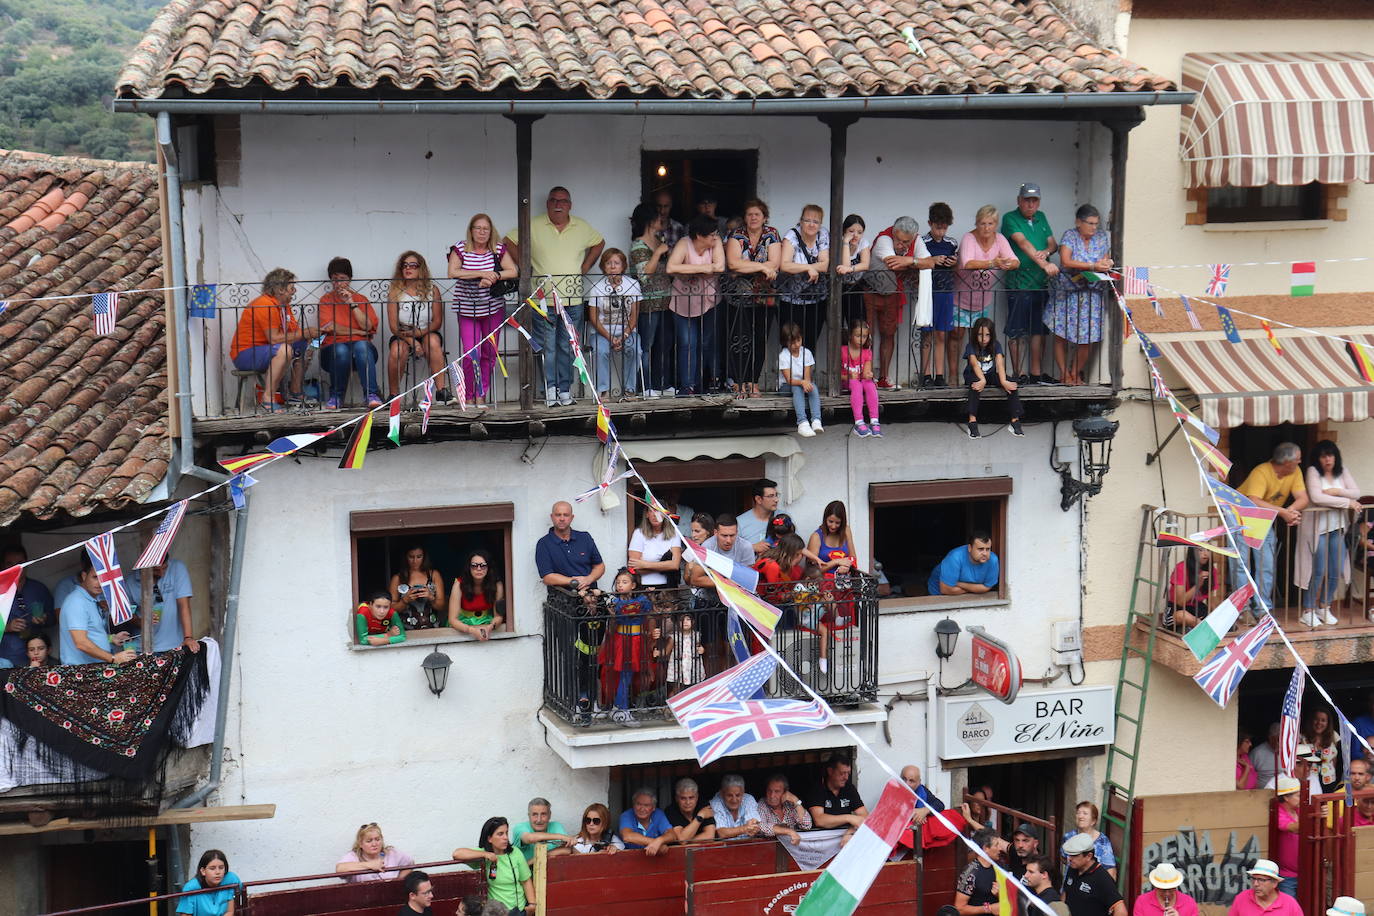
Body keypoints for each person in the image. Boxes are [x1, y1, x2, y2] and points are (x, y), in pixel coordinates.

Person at [504, 186, 605, 408]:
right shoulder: (533, 223)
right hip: (543, 300)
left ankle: (565, 390)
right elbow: (508, 241)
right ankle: (550, 390)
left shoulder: (582, 226)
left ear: (570, 204)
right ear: (547, 203)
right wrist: (524, 266)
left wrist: (585, 267)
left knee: (567, 346)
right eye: (553, 200)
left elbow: (599, 243)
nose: (558, 204)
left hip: (573, 299)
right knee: (547, 346)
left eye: (563, 200)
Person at [448, 213, 517, 406]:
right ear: (471, 230)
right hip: (467, 309)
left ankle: (481, 394)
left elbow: (512, 271)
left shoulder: (498, 249)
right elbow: (453, 271)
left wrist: (494, 275)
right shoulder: (460, 248)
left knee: (489, 352)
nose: (481, 232)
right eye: (477, 228)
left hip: (492, 308)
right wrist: (481, 274)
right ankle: (468, 395)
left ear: (490, 231)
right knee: (471, 353)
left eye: (485, 229)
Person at [1235, 443, 1309, 616]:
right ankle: (1242, 608)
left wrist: (1290, 511)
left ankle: (1262, 609)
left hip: (1263, 519)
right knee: (1241, 564)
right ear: (1286, 462)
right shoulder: (1261, 472)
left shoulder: (1294, 471)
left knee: (1266, 564)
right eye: (1297, 459)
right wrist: (1284, 513)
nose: (1300, 462)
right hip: (1241, 517)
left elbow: (1303, 498)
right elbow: (1254, 500)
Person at [228, 267, 314, 411]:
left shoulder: (283, 306)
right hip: (245, 354)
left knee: (306, 344)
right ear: (280, 289)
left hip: (267, 350)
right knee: (284, 349)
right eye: (292, 287)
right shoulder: (265, 304)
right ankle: (268, 398)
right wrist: (304, 333)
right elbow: (274, 339)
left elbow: (295, 333)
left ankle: (295, 391)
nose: (294, 291)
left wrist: (309, 335)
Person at [1044, 204, 1112, 386]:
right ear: (1078, 222)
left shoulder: (1101, 237)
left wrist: (1106, 264)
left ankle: (1075, 373)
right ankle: (1064, 373)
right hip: (1068, 293)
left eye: (1096, 224)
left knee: (1088, 337)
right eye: (1090, 223)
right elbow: (1066, 261)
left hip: (1091, 295)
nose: (1094, 227)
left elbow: (1104, 260)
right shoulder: (1070, 236)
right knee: (1061, 334)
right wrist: (1092, 266)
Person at [1297, 439, 1361, 627]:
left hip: (1338, 528)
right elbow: (1317, 498)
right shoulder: (1312, 472)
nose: (1328, 459)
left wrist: (1335, 491)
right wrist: (1346, 502)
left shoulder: (1343, 471)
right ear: (1318, 458)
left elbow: (1356, 492)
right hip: (1318, 529)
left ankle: (1324, 607)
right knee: (1317, 570)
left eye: (1330, 455)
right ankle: (1308, 610)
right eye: (1324, 456)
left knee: (1335, 570)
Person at [866, 215, 934, 389]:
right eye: (900, 240)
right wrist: (916, 263)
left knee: (889, 334)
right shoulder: (884, 239)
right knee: (866, 335)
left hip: (892, 293)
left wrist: (910, 260)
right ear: (894, 232)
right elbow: (893, 264)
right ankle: (865, 377)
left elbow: (931, 263)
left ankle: (883, 377)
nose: (902, 245)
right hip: (870, 291)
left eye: (907, 242)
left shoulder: (916, 239)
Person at [725, 199, 782, 399]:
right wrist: (762, 267)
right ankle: (740, 383)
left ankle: (753, 382)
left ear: (764, 217)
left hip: (764, 297)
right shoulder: (736, 235)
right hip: (738, 297)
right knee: (739, 340)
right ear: (745, 218)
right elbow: (733, 264)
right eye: (750, 214)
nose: (753, 217)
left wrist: (759, 266)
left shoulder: (772, 234)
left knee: (759, 340)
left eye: (757, 214)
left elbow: (775, 263)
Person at [1001, 183, 1058, 384]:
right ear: (1019, 201)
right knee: (1017, 331)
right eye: (1027, 200)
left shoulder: (1041, 217)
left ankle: (1035, 374)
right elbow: (1023, 243)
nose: (1031, 204)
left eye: (1034, 200)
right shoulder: (1010, 218)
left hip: (1040, 283)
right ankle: (1019, 374)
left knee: (1038, 331)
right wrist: (1044, 264)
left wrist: (1047, 253)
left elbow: (1053, 243)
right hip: (1019, 282)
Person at [667, 215, 726, 396]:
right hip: (683, 301)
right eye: (711, 234)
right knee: (687, 343)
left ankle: (706, 383)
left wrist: (688, 269)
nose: (715, 237)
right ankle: (687, 386)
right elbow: (670, 268)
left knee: (706, 342)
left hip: (709, 300)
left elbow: (720, 266)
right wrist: (702, 269)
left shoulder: (715, 244)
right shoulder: (684, 243)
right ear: (699, 235)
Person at [318, 256, 381, 410]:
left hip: (360, 350)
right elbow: (331, 327)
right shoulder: (326, 300)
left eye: (342, 279)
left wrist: (352, 304)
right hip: (332, 351)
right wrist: (359, 331)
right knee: (341, 349)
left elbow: (368, 326)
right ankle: (336, 396)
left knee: (361, 346)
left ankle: (371, 395)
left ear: (350, 279)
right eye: (334, 279)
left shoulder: (361, 299)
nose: (338, 283)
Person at [385, 251, 447, 402]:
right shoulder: (395, 292)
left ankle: (441, 391)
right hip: (403, 333)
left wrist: (419, 333)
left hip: (427, 330)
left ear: (421, 269)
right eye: (404, 265)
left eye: (413, 265)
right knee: (397, 350)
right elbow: (393, 326)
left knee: (433, 342)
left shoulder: (432, 290)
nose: (408, 268)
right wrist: (412, 341)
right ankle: (394, 396)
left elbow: (437, 322)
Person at [629, 202, 674, 399]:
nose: (661, 219)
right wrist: (657, 253)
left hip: (666, 301)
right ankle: (645, 385)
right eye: (657, 217)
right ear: (649, 221)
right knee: (646, 346)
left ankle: (662, 383)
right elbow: (644, 275)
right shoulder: (638, 245)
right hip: (647, 303)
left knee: (665, 344)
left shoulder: (659, 239)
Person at [59, 552, 137, 666]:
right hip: (81, 672)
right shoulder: (77, 602)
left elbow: (90, 633)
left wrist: (111, 638)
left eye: (104, 579)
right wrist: (113, 658)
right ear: (84, 576)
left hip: (92, 669)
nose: (100, 583)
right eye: (95, 577)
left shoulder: (89, 599)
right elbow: (81, 642)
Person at [587, 248, 642, 399]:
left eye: (616, 263)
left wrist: (624, 335)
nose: (612, 267)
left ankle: (630, 389)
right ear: (603, 267)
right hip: (602, 332)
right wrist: (610, 337)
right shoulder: (596, 287)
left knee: (635, 349)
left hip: (627, 331)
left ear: (623, 266)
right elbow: (593, 317)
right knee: (601, 351)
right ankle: (603, 391)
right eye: (608, 263)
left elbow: (634, 316)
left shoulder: (633, 285)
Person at [955, 205, 1019, 332]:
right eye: (982, 223)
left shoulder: (1000, 239)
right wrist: (993, 263)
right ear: (976, 223)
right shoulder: (969, 238)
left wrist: (1006, 264)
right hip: (961, 297)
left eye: (990, 223)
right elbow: (967, 264)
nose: (986, 227)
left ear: (996, 224)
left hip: (983, 299)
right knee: (956, 336)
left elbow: (1016, 262)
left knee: (979, 337)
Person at [601, 568, 653, 725]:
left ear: (634, 585)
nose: (620, 586)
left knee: (629, 675)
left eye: (624, 582)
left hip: (636, 640)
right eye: (618, 583)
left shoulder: (642, 600)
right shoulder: (615, 602)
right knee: (624, 674)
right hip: (622, 640)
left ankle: (621, 707)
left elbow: (648, 609)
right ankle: (621, 708)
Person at [453, 817, 536, 914]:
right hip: (497, 912)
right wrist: (485, 854)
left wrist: (532, 905)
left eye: (506, 833)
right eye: (500, 834)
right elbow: (457, 854)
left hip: (518, 910)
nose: (505, 837)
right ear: (489, 838)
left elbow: (525, 880)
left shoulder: (515, 853)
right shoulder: (484, 854)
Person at [777, 205, 831, 352]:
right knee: (790, 342)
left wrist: (808, 267)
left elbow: (825, 264)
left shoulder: (823, 234)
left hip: (816, 299)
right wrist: (809, 268)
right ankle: (789, 375)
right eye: (807, 220)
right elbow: (785, 265)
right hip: (791, 300)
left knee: (810, 344)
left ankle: (807, 375)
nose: (812, 224)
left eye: (816, 221)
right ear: (800, 221)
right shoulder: (791, 237)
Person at [963, 316, 1025, 439]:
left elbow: (1000, 364)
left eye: (987, 335)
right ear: (975, 334)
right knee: (976, 386)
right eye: (980, 335)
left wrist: (1003, 381)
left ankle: (1015, 420)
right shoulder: (971, 346)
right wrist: (982, 380)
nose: (984, 339)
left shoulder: (996, 345)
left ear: (992, 335)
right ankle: (972, 421)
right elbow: (975, 365)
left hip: (990, 375)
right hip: (973, 375)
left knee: (1010, 384)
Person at [921, 203, 959, 388]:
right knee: (927, 334)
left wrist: (954, 262)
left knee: (942, 334)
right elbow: (918, 263)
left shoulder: (951, 243)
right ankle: (926, 374)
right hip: (928, 292)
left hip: (945, 292)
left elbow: (957, 264)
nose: (941, 232)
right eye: (937, 227)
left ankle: (940, 375)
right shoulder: (922, 242)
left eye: (944, 228)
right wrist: (932, 261)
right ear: (930, 223)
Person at [535, 501, 606, 596]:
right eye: (558, 515)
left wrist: (589, 579)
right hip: (561, 603)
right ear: (552, 517)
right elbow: (547, 577)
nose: (562, 518)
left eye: (566, 515)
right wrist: (574, 582)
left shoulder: (585, 537)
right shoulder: (544, 543)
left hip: (591, 598)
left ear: (572, 517)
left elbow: (599, 566)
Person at [0, 544, 52, 667]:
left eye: (20, 563)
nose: (16, 567)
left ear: (27, 563)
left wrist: (44, 618)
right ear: (3, 566)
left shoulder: (38, 588)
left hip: (37, 658)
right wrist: (7, 627)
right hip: (5, 658)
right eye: (10, 564)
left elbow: (54, 618)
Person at [1061, 832, 1126, 916]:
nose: (1069, 859)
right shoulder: (1073, 868)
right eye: (1069, 855)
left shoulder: (1102, 878)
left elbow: (1121, 910)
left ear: (1088, 856)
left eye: (1074, 855)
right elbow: (1065, 894)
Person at [805, 753, 868, 837]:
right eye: (842, 773)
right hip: (821, 838)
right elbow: (819, 820)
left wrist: (850, 832)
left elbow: (865, 816)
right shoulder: (818, 788)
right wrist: (849, 818)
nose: (846, 777)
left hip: (846, 837)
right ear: (830, 771)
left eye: (848, 773)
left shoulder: (849, 788)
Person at [448, 549, 504, 640]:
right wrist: (472, 630)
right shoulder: (459, 584)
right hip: (463, 623)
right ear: (469, 568)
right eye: (474, 566)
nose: (479, 569)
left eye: (483, 566)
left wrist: (490, 628)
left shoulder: (497, 585)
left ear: (489, 567)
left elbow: (498, 616)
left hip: (486, 622)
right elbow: (452, 619)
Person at [779, 321, 823, 438]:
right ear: (786, 343)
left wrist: (806, 384)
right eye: (792, 343)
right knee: (796, 387)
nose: (797, 345)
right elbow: (789, 380)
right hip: (786, 387)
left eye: (798, 340)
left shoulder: (806, 353)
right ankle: (802, 422)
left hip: (801, 384)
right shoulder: (783, 355)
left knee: (813, 387)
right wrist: (802, 383)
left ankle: (816, 420)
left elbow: (807, 376)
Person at [390, 546, 446, 632]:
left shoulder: (433, 575)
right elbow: (391, 610)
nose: (415, 561)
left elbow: (442, 606)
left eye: (419, 557)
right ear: (405, 557)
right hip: (406, 630)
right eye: (411, 557)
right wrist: (405, 600)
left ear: (424, 557)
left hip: (433, 628)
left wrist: (431, 597)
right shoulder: (398, 578)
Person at [928, 532, 1000, 598]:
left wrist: (958, 584)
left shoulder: (993, 560)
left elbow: (987, 587)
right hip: (938, 592)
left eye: (987, 549)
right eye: (980, 549)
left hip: (961, 592)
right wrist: (976, 589)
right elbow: (945, 589)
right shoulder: (955, 557)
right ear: (969, 548)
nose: (985, 553)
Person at [336, 822, 415, 883]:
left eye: (377, 839)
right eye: (369, 841)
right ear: (360, 844)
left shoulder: (391, 853)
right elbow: (340, 869)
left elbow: (410, 863)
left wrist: (397, 882)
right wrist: (369, 865)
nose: (374, 844)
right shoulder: (354, 856)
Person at [954, 829, 1008, 916]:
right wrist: (988, 908)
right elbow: (959, 908)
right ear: (986, 848)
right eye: (996, 845)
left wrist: (1000, 895)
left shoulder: (999, 868)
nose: (1000, 849)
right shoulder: (970, 873)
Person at [841, 319, 881, 437]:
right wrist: (848, 376)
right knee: (857, 385)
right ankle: (859, 421)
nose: (861, 339)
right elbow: (835, 374)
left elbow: (866, 373)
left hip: (860, 380)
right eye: (858, 336)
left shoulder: (867, 352)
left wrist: (869, 374)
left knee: (870, 384)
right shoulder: (842, 351)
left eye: (864, 336)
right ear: (850, 335)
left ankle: (874, 420)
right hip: (846, 381)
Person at [1165, 547, 1221, 629]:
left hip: (1197, 608)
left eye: (1208, 550)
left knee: (1222, 619)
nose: (1206, 554)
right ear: (1192, 552)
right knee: (1182, 615)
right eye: (1201, 550)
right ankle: (1204, 628)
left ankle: (1198, 627)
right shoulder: (1181, 568)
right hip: (1177, 609)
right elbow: (1180, 602)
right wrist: (1198, 585)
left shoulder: (1212, 570)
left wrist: (1219, 614)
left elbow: (1211, 599)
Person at [1062, 801, 1117, 880]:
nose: (1080, 816)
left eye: (1085, 813)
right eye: (1078, 813)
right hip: (1071, 883)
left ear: (1093, 821)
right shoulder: (1068, 837)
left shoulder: (1102, 841)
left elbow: (1110, 869)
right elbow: (1063, 857)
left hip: (1093, 885)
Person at [177, 849, 241, 916]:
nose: (218, 872)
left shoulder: (229, 881)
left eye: (221, 868)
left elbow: (229, 912)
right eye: (212, 868)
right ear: (203, 871)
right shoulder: (191, 888)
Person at [628, 508, 681, 589]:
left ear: (665, 515)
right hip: (645, 587)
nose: (655, 515)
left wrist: (645, 564)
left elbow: (675, 565)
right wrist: (666, 566)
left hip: (669, 586)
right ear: (647, 514)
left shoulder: (674, 533)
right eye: (651, 511)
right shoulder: (639, 533)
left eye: (659, 511)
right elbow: (634, 568)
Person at [1227, 859, 1301, 916]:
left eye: (1261, 880)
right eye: (1253, 879)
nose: (1255, 884)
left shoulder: (1290, 904)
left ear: (1274, 883)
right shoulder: (1242, 898)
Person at [836, 213, 871, 330]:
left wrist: (851, 269)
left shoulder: (863, 243)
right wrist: (846, 243)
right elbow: (845, 266)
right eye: (851, 231)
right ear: (844, 231)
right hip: (838, 288)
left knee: (858, 325)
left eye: (860, 232)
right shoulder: (838, 243)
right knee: (839, 327)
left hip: (856, 288)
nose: (855, 235)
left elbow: (865, 264)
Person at [757, 773, 812, 845]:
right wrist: (789, 831)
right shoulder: (762, 804)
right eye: (769, 791)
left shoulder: (790, 805)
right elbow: (760, 827)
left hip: (792, 850)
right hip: (769, 850)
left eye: (777, 791)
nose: (772, 795)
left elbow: (806, 825)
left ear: (785, 792)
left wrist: (796, 801)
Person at [513, 797, 573, 862]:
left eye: (543, 814)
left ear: (549, 815)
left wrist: (533, 860)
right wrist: (560, 836)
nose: (539, 820)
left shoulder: (556, 826)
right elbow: (530, 838)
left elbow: (567, 849)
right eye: (535, 814)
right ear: (529, 815)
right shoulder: (520, 827)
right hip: (525, 872)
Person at [809, 501, 859, 579]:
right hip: (822, 583)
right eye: (830, 521)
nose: (833, 526)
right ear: (825, 519)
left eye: (837, 523)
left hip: (844, 581)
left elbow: (853, 559)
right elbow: (812, 571)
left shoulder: (846, 530)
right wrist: (836, 562)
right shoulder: (816, 536)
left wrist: (847, 566)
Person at [619, 787, 675, 854]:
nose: (642, 809)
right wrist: (656, 843)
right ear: (633, 805)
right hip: (629, 859)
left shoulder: (658, 814)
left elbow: (672, 835)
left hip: (654, 860)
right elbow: (627, 836)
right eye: (638, 804)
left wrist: (659, 841)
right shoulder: (627, 815)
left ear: (653, 807)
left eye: (646, 805)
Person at [710, 774, 764, 840]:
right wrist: (744, 828)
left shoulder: (748, 799)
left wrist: (754, 825)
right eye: (730, 795)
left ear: (743, 792)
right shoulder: (715, 803)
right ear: (722, 793)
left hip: (748, 845)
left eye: (738, 795)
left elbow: (755, 823)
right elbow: (722, 833)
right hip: (724, 848)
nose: (734, 800)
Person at [665, 777, 718, 843]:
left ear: (697, 797)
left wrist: (688, 841)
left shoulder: (703, 806)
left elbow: (710, 836)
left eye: (691, 798)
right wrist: (700, 816)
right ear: (676, 798)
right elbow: (682, 839)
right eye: (683, 798)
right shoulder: (671, 811)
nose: (688, 802)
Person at [1133, 862, 1198, 916]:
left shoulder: (1189, 902)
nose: (1167, 893)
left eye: (1171, 889)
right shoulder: (1142, 902)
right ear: (1156, 886)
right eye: (1163, 889)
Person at [1272, 778, 1300, 897]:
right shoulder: (1278, 811)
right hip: (1287, 875)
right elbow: (1294, 828)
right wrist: (1314, 816)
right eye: (1298, 795)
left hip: (1305, 872)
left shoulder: (1299, 810)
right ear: (1287, 797)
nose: (1302, 798)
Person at [1305, 707, 1344, 794]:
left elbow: (1335, 759)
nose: (1319, 723)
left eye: (1323, 720)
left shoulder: (1334, 736)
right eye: (1316, 719)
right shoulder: (1303, 738)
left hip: (1329, 780)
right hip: (1310, 779)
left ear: (1327, 723)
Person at [736, 478, 780, 555]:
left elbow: (795, 544)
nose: (776, 500)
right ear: (758, 499)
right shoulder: (740, 522)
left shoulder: (783, 517)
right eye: (771, 496)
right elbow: (730, 550)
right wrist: (752, 547)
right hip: (750, 566)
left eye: (776, 495)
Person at [900, 765, 945, 829]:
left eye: (911, 781)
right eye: (904, 779)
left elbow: (940, 804)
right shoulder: (893, 790)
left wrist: (925, 810)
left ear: (919, 782)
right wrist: (913, 813)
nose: (906, 784)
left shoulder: (922, 790)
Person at [1251, 723, 1281, 788]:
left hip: (1286, 793)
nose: (1281, 742)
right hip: (1263, 793)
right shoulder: (1257, 752)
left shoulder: (1290, 752)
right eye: (1278, 738)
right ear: (1270, 737)